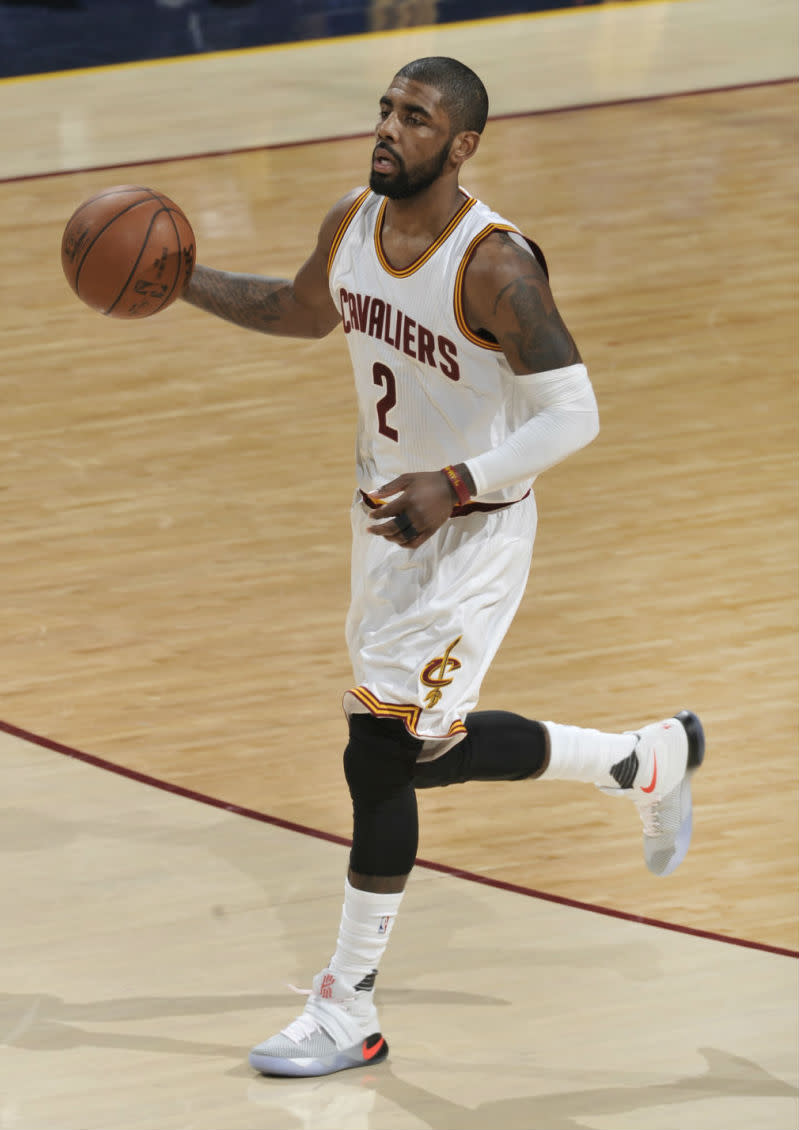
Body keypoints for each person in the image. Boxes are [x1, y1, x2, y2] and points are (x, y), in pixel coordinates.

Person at [180, 56, 704, 1077]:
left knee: (375, 755)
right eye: (384, 110)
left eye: (414, 119)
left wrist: (455, 485)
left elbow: (573, 414)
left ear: (461, 145)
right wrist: (179, 282)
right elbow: (301, 307)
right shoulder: (353, 223)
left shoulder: (495, 267)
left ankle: (348, 1007)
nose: (388, 130)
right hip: (384, 520)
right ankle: (642, 760)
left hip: (467, 537)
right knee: (418, 748)